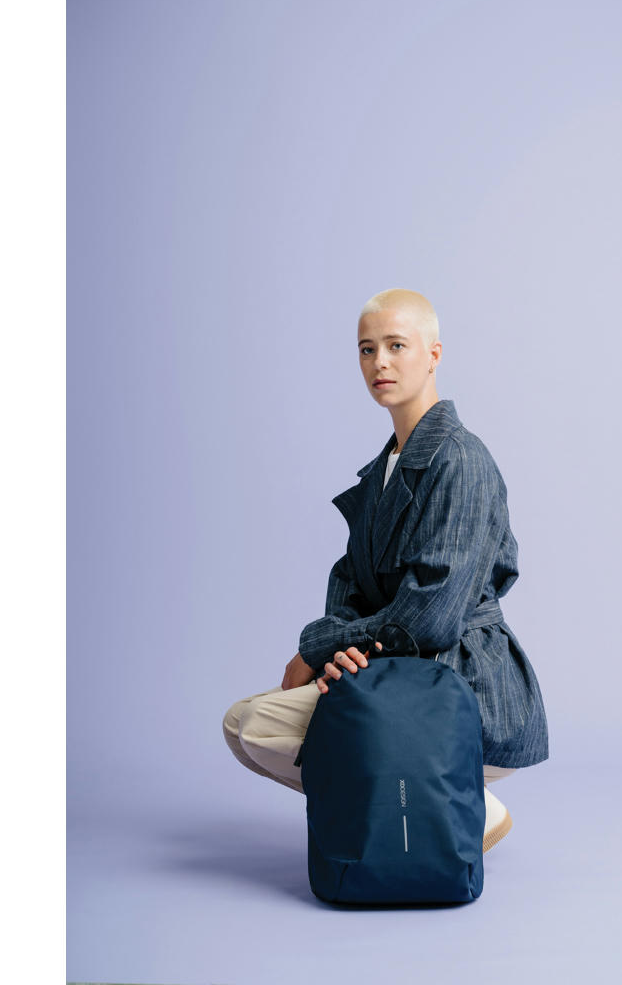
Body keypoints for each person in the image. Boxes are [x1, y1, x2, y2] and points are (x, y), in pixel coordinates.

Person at [222, 288, 549, 852]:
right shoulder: (382, 470)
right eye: (367, 349)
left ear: (434, 354)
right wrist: (343, 654)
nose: (381, 363)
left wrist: (323, 647)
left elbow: (433, 616)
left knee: (256, 725)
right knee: (244, 723)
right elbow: (350, 583)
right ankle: (423, 808)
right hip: (395, 667)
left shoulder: (462, 460)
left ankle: (465, 802)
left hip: (462, 683)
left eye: (397, 346)